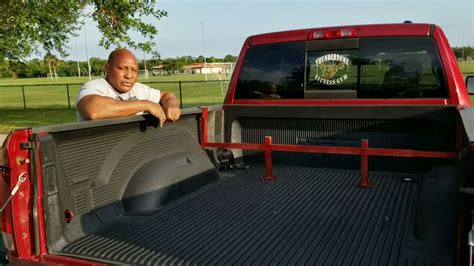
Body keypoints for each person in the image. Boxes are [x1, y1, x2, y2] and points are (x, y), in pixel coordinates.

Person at [76, 49, 180, 127]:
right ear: (107, 68)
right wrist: (146, 104)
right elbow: (93, 110)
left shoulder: (139, 89)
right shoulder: (95, 86)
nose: (129, 76)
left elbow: (166, 95)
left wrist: (172, 104)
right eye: (122, 68)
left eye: (134, 70)